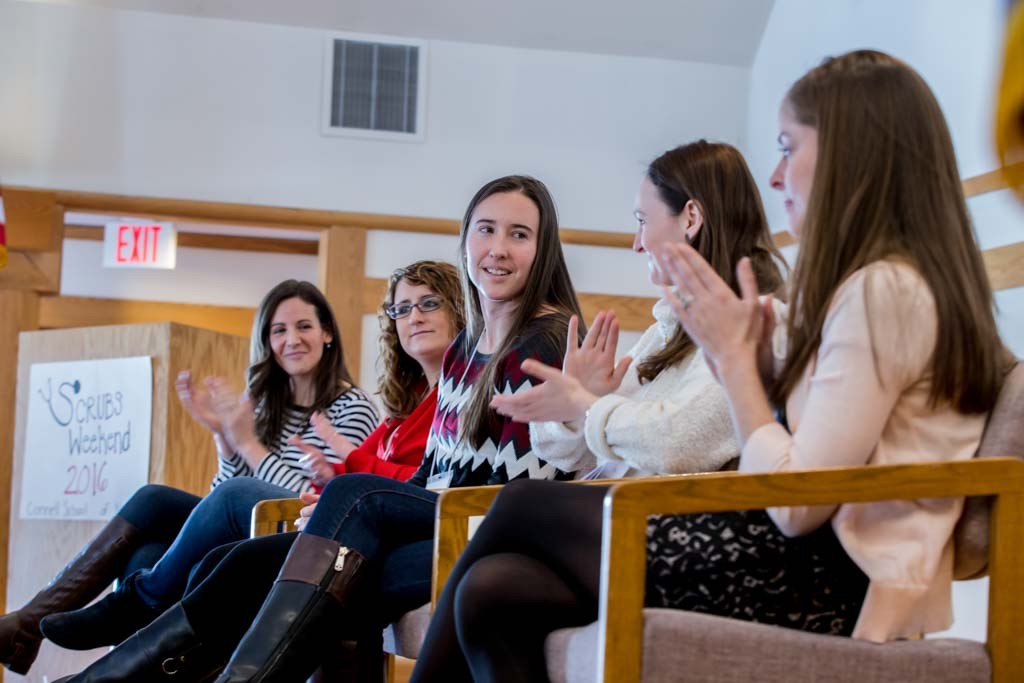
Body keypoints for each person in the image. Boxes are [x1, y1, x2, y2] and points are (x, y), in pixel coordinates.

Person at [409, 50, 1009, 683]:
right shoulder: (865, 290)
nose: (776, 176)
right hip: (791, 551)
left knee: (525, 507)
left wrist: (735, 366)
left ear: (852, 154)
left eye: (788, 147)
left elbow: (796, 506)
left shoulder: (885, 292)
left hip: (827, 578)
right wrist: (742, 367)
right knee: (494, 591)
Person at [56, 174, 586, 682]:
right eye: (486, 229)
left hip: (486, 535)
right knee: (238, 561)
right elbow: (430, 474)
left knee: (348, 502)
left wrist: (353, 503)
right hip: (436, 524)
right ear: (466, 239)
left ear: (543, 250)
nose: (498, 248)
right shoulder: (465, 349)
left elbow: (519, 487)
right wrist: (340, 514)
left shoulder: (549, 337)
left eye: (519, 235)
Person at [0, 280, 379, 675]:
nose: (292, 340)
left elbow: (309, 497)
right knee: (150, 530)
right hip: (250, 527)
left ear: (327, 333)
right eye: (278, 330)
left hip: (306, 532)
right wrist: (225, 442)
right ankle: (39, 626)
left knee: (209, 504)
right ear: (266, 341)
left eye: (304, 326)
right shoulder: (265, 404)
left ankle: (78, 617)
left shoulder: (351, 405)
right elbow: (220, 499)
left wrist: (248, 444)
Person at [491, 140, 784, 480]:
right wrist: (581, 405)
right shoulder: (668, 328)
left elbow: (676, 443)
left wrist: (587, 404)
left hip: (647, 524)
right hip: (606, 513)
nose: (637, 243)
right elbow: (569, 456)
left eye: (643, 220)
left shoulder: (758, 325)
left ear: (690, 218)